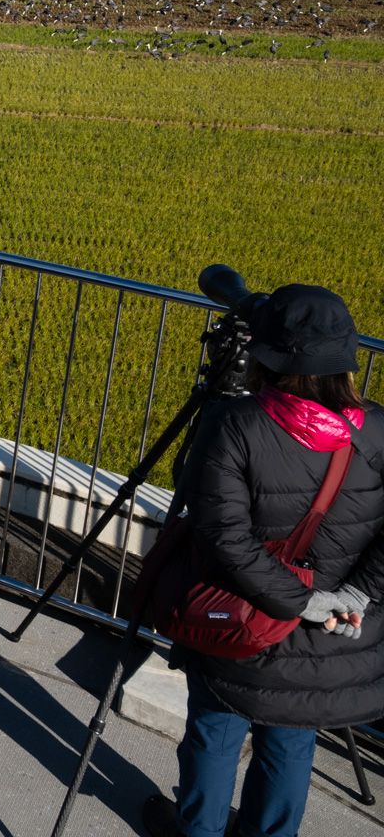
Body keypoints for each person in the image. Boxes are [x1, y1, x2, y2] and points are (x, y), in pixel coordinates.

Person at [143, 285, 384, 837]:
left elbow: (221, 536)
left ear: (266, 356)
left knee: (216, 728)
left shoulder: (236, 423)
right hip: (331, 634)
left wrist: (298, 599)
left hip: (246, 620)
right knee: (292, 738)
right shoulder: (376, 429)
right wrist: (354, 595)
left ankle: (196, 829)